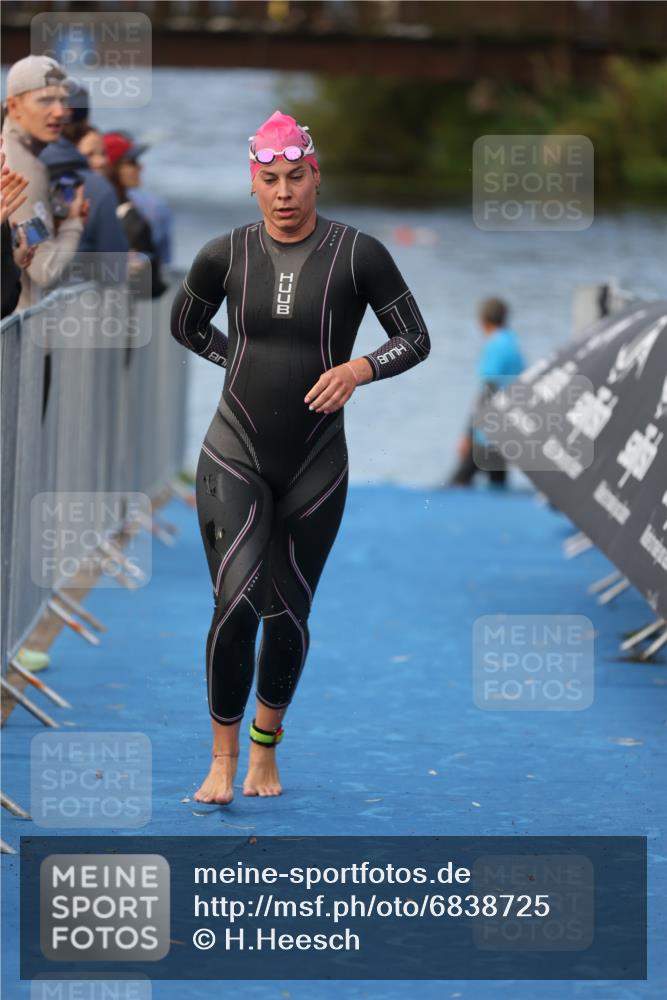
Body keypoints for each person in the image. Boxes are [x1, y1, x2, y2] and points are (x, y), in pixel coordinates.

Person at [170, 110, 430, 805]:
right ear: (252, 185)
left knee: (286, 612)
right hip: (234, 450)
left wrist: (358, 371)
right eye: (269, 181)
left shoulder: (359, 254)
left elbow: (414, 338)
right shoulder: (223, 254)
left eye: (294, 178)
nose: (283, 193)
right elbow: (185, 324)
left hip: (315, 462)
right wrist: (237, 362)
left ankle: (264, 748)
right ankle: (220, 760)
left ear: (314, 176)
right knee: (233, 605)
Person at [1, 55, 88, 311]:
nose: (61, 111)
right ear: (14, 107)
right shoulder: (21, 164)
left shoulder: (18, 155)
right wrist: (73, 222)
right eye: (45, 100)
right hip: (17, 333)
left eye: (63, 99)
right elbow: (46, 268)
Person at [448, 296, 525, 488]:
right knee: (498, 485)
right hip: (507, 426)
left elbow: (488, 390)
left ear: (483, 320)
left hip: (488, 430)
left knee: (457, 482)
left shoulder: (495, 347)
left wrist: (469, 433)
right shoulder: (513, 345)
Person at [103, 131, 166, 298]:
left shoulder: (125, 207)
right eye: (131, 162)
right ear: (114, 168)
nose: (140, 167)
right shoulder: (118, 213)